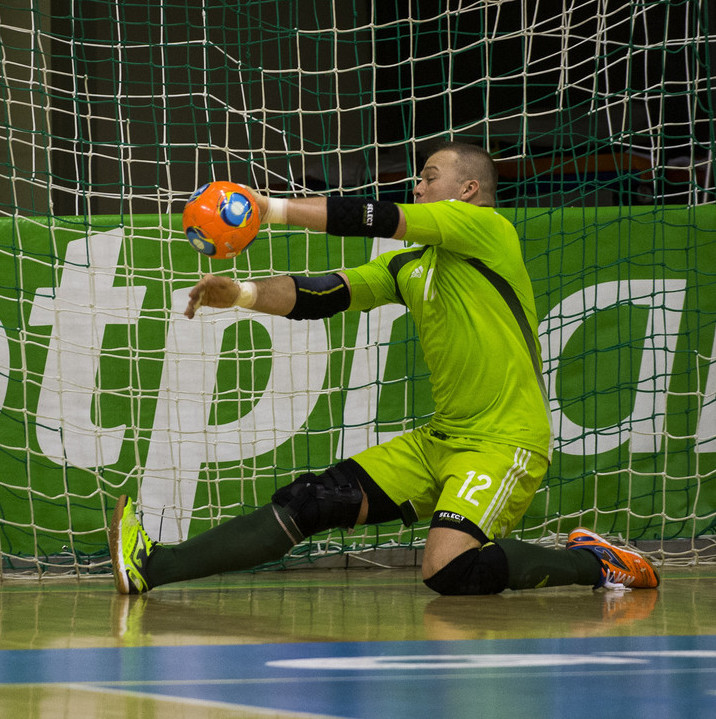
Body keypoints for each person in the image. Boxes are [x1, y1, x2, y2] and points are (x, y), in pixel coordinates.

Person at [109, 141, 659, 595]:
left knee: (447, 571)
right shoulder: (409, 265)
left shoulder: (487, 230)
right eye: (419, 178)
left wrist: (267, 207)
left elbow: (379, 217)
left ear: (467, 190)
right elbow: (325, 292)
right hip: (441, 438)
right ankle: (154, 567)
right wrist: (243, 294)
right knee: (313, 499)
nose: (418, 185)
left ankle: (597, 564)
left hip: (504, 441)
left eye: (430, 176)